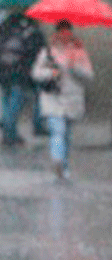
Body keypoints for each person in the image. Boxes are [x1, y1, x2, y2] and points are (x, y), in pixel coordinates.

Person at [30, 19, 93, 180]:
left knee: (66, 134)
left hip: (72, 99)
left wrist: (74, 67)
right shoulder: (48, 51)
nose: (65, 35)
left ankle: (64, 166)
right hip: (53, 98)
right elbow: (36, 73)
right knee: (58, 131)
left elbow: (89, 75)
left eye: (67, 32)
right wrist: (51, 73)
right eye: (62, 31)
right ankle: (57, 160)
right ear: (57, 32)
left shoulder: (79, 51)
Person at [0, 9, 46, 146]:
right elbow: (36, 51)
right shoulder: (30, 30)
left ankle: (9, 131)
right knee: (15, 103)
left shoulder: (4, 27)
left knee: (6, 102)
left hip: (2, 71)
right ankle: (9, 132)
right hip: (18, 73)